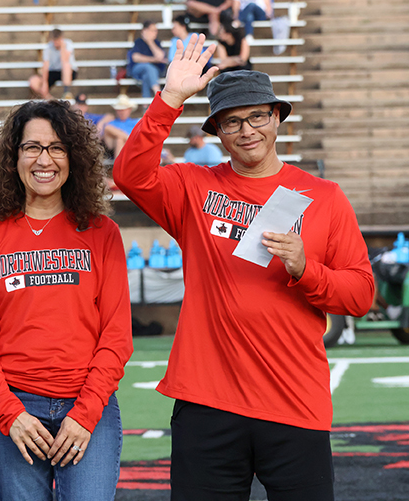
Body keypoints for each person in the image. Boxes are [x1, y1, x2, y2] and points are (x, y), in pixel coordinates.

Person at [113, 34, 375, 500]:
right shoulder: (192, 187)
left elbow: (359, 296)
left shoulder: (324, 197)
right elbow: (130, 176)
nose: (247, 130)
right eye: (232, 122)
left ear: (276, 118)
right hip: (206, 401)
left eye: (257, 116)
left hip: (295, 400)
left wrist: (304, 267)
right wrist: (170, 98)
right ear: (217, 133)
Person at [0, 99, 133, 501]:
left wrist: (86, 415)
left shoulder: (102, 233)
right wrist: (10, 414)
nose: (44, 159)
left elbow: (117, 336)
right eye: (32, 147)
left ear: (74, 158)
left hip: (89, 407)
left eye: (57, 147)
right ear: (13, 157)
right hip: (14, 409)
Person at [127, 21, 167, 99]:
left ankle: (146, 104)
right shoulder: (138, 42)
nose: (155, 33)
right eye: (152, 30)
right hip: (138, 69)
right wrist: (153, 60)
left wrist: (150, 42)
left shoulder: (156, 43)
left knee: (146, 76)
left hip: (154, 72)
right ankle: (157, 91)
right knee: (148, 67)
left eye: (156, 30)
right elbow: (135, 57)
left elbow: (160, 56)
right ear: (145, 31)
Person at [40, 29, 78, 99]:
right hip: (54, 71)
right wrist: (44, 83)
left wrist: (62, 47)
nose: (56, 43)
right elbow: (45, 65)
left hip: (68, 72)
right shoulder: (48, 47)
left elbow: (65, 60)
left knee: (66, 66)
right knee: (34, 81)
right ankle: (50, 99)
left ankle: (66, 92)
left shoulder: (68, 44)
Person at [103, 94, 140, 159]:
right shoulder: (112, 123)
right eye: (119, 109)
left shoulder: (136, 122)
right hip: (117, 148)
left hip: (133, 150)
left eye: (124, 109)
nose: (122, 112)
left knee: (119, 139)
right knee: (119, 140)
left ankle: (119, 167)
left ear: (129, 110)